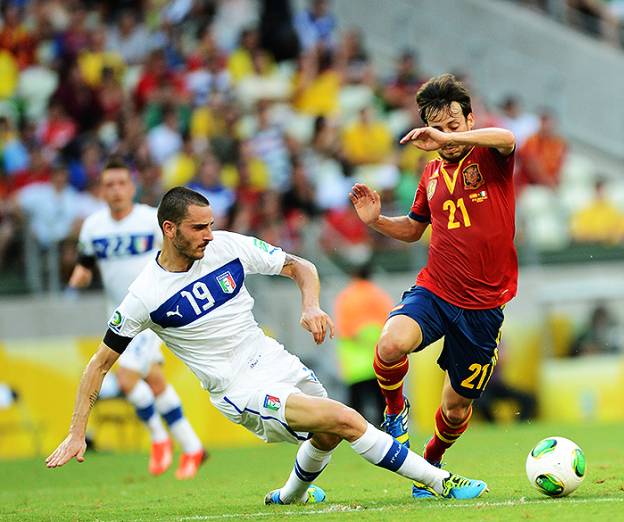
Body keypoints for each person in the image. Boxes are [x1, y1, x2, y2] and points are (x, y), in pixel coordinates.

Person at [46, 187, 487, 505]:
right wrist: (75, 431)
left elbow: (300, 265)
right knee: (344, 418)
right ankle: (438, 481)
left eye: (211, 225)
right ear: (169, 229)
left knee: (328, 431)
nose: (209, 235)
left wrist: (310, 306)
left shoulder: (227, 247)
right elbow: (99, 365)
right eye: (198, 228)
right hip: (238, 389)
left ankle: (289, 496)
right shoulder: (145, 294)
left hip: (273, 360)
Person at [350, 73, 517, 498]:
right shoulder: (429, 175)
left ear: (469, 120)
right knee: (390, 345)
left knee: (456, 408)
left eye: (453, 126)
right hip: (437, 290)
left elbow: (507, 136)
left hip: (483, 307)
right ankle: (395, 412)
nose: (446, 136)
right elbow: (413, 229)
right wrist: (377, 222)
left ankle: (433, 462)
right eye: (437, 129)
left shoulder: (491, 157)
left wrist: (457, 138)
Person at [67, 160, 205, 479]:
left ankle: (159, 440)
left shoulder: (150, 220)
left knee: (127, 378)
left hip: (153, 309)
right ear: (102, 190)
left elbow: (179, 252)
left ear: (132, 187)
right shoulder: (93, 227)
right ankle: (193, 446)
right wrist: (78, 277)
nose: (115, 190)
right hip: (119, 312)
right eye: (109, 185)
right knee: (154, 380)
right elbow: (85, 264)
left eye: (120, 183)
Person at [333, 263, 392, 423]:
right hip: (377, 356)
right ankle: (386, 430)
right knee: (382, 401)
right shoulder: (378, 295)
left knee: (356, 403)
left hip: (354, 360)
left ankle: (354, 431)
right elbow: (389, 320)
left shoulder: (346, 296)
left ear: (354, 276)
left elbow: (343, 327)